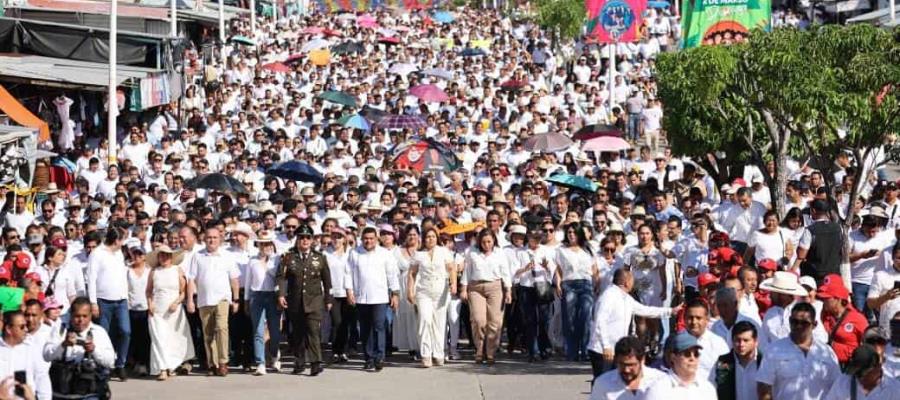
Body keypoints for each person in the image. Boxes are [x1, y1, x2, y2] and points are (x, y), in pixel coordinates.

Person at [588, 268, 677, 378]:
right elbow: (600, 321)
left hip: (615, 350)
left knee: (614, 384)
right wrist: (605, 346)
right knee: (602, 382)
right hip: (602, 350)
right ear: (626, 281)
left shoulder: (626, 298)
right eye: (632, 280)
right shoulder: (609, 296)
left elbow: (645, 310)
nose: (633, 283)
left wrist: (671, 311)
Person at [276, 225, 332, 376]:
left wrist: (328, 299)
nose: (305, 240)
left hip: (314, 300)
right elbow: (281, 277)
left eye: (308, 237)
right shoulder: (288, 257)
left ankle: (315, 362)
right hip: (295, 301)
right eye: (301, 237)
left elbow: (327, 281)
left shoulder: (319, 257)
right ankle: (299, 361)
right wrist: (281, 294)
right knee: (298, 333)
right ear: (297, 239)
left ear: (313, 240)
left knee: (313, 331)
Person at [185, 227, 241, 377]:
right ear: (204, 239)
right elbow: (191, 280)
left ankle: (223, 362)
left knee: (222, 328)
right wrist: (190, 300)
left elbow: (234, 279)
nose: (212, 240)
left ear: (220, 239)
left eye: (215, 237)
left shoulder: (227, 256)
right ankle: (212, 363)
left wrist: (236, 300)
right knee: (208, 334)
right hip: (204, 300)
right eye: (209, 237)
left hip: (222, 299)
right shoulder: (197, 256)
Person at [757, 302, 841, 400]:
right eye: (795, 322)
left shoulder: (826, 352)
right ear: (789, 321)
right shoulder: (774, 350)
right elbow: (764, 386)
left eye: (804, 323)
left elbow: (837, 387)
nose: (798, 326)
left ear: (814, 325)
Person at [345, 227, 399, 371]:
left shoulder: (385, 254)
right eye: (365, 239)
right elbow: (348, 273)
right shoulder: (354, 253)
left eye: (371, 238)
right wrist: (349, 291)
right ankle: (368, 358)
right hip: (361, 297)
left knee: (379, 326)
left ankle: (379, 357)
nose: (368, 241)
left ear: (377, 239)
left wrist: (395, 293)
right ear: (361, 239)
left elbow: (392, 275)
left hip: (380, 297)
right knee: (365, 328)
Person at [44, 297, 115, 399]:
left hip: (89, 394)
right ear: (71, 315)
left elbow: (110, 362)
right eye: (77, 316)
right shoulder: (61, 330)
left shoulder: (98, 332)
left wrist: (94, 350)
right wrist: (63, 345)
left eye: (85, 316)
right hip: (62, 393)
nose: (81, 320)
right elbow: (46, 355)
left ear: (90, 316)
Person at [85, 227, 130, 381]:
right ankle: (105, 366)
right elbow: (91, 279)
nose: (123, 243)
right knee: (104, 335)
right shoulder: (97, 254)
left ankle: (120, 364)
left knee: (125, 331)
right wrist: (93, 302)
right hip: (103, 301)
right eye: (122, 239)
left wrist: (126, 296)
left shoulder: (119, 254)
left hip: (121, 300)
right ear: (116, 240)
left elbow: (122, 276)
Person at [460, 229, 511, 365]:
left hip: (495, 286)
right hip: (476, 287)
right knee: (478, 320)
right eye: (483, 242)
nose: (486, 245)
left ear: (494, 240)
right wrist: (464, 289)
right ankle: (479, 348)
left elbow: (505, 272)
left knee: (495, 322)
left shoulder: (499, 253)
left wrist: (508, 290)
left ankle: (490, 351)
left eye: (489, 241)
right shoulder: (472, 252)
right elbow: (467, 271)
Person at [407, 227, 456, 367]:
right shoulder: (419, 254)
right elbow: (412, 274)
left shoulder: (444, 252)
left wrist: (453, 284)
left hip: (441, 291)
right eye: (428, 237)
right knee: (425, 320)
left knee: (439, 323)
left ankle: (438, 353)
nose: (430, 239)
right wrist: (409, 291)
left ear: (437, 238)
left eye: (433, 236)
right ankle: (426, 354)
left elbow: (452, 269)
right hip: (423, 292)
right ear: (423, 238)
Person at [146, 245, 194, 381]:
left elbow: (183, 291)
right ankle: (162, 369)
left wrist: (176, 302)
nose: (164, 258)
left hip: (174, 310)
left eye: (167, 255)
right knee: (159, 338)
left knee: (172, 339)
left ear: (171, 257)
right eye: (161, 255)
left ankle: (171, 366)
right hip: (157, 310)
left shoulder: (177, 270)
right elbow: (148, 291)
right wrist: (150, 304)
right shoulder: (154, 272)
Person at [554, 222, 600, 362]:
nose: (572, 235)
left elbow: (595, 269)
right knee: (569, 319)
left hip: (585, 284)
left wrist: (596, 284)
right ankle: (572, 351)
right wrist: (557, 284)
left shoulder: (588, 249)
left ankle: (585, 349)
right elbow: (559, 269)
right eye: (569, 232)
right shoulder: (561, 250)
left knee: (585, 317)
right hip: (569, 284)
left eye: (574, 232)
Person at [243, 231, 281, 375]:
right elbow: (248, 281)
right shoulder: (252, 260)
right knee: (258, 331)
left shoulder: (276, 259)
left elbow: (278, 278)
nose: (264, 246)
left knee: (274, 330)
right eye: (262, 243)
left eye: (267, 243)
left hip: (272, 295)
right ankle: (260, 362)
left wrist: (267, 262)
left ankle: (274, 357)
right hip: (256, 295)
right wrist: (246, 300)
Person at [642, 331, 718, 399]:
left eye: (696, 354)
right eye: (687, 354)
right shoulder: (658, 390)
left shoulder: (707, 388)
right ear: (673, 357)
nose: (692, 358)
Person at [589, 336, 664, 400]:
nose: (626, 370)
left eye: (631, 365)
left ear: (642, 360)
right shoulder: (603, 383)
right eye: (622, 364)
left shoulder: (660, 381)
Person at [818, 273, 867, 365]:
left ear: (838, 298)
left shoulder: (858, 319)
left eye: (827, 298)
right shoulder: (825, 314)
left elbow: (868, 347)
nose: (823, 302)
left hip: (850, 366)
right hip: (830, 364)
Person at [823, 343, 900, 400]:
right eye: (857, 373)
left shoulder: (894, 389)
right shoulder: (842, 382)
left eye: (864, 374)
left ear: (878, 367)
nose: (860, 378)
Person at [793, 199, 843, 281]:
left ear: (813, 210)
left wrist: (793, 270)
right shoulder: (838, 228)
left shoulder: (810, 230)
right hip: (834, 274)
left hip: (815, 275)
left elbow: (801, 255)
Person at [682, 299, 730, 383]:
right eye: (690, 317)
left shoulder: (718, 343)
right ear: (684, 319)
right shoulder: (675, 342)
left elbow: (726, 375)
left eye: (698, 318)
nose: (694, 322)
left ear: (707, 320)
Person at [714, 321, 762, 400]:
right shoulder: (723, 362)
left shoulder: (764, 362)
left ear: (755, 341)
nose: (741, 344)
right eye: (737, 340)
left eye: (746, 340)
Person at [125, 240, 151, 376]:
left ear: (144, 256)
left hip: (146, 308)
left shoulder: (149, 271)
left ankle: (144, 364)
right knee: (133, 338)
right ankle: (133, 363)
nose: (137, 257)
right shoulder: (127, 271)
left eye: (140, 254)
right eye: (134, 254)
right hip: (131, 308)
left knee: (145, 338)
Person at [0, 311, 37, 399]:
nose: (26, 329)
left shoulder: (31, 348)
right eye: (22, 327)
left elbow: (41, 378)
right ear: (8, 329)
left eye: (26, 325)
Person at [23, 299, 51, 400]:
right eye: (27, 315)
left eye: (34, 315)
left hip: (43, 382)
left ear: (41, 315)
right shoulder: (17, 334)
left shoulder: (49, 333)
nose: (30, 319)